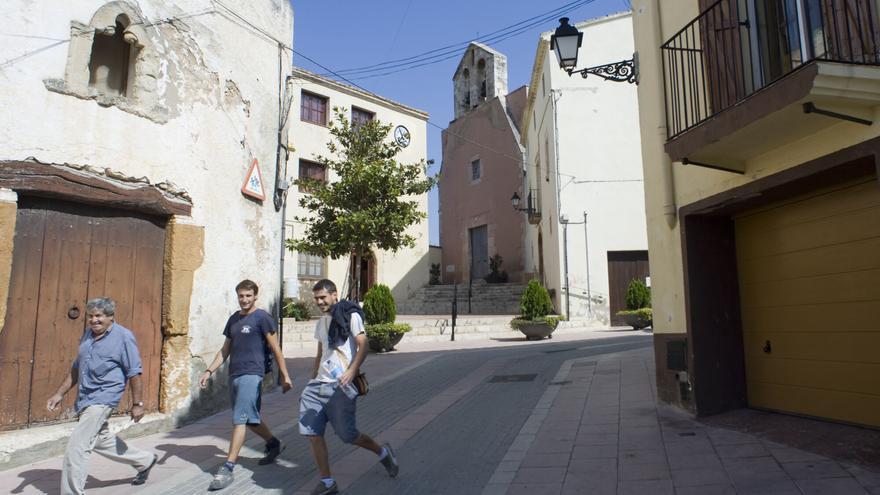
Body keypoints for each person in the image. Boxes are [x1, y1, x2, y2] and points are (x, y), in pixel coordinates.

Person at [47, 297, 158, 495]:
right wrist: (59, 394)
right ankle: (144, 460)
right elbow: (76, 367)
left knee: (77, 446)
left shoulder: (124, 337)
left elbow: (134, 371)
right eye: (90, 316)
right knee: (100, 439)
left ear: (110, 317)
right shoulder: (88, 335)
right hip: (85, 397)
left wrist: (138, 403)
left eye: (98, 316)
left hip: (104, 397)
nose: (93, 320)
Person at [299, 279, 399, 495]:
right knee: (313, 433)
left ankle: (383, 453)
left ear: (334, 295)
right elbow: (320, 353)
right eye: (316, 298)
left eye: (323, 297)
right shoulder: (321, 323)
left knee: (348, 435)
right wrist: (311, 380)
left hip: (340, 387)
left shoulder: (350, 316)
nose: (319, 302)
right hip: (318, 386)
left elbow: (363, 344)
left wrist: (352, 371)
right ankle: (327, 482)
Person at [199, 279, 293, 491]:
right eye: (241, 296)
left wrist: (285, 375)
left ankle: (228, 468)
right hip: (235, 374)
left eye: (248, 296)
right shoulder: (233, 319)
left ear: (255, 296)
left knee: (239, 420)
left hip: (253, 374)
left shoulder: (262, 318)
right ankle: (274, 443)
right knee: (250, 419)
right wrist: (208, 371)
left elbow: (276, 348)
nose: (244, 299)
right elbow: (225, 350)